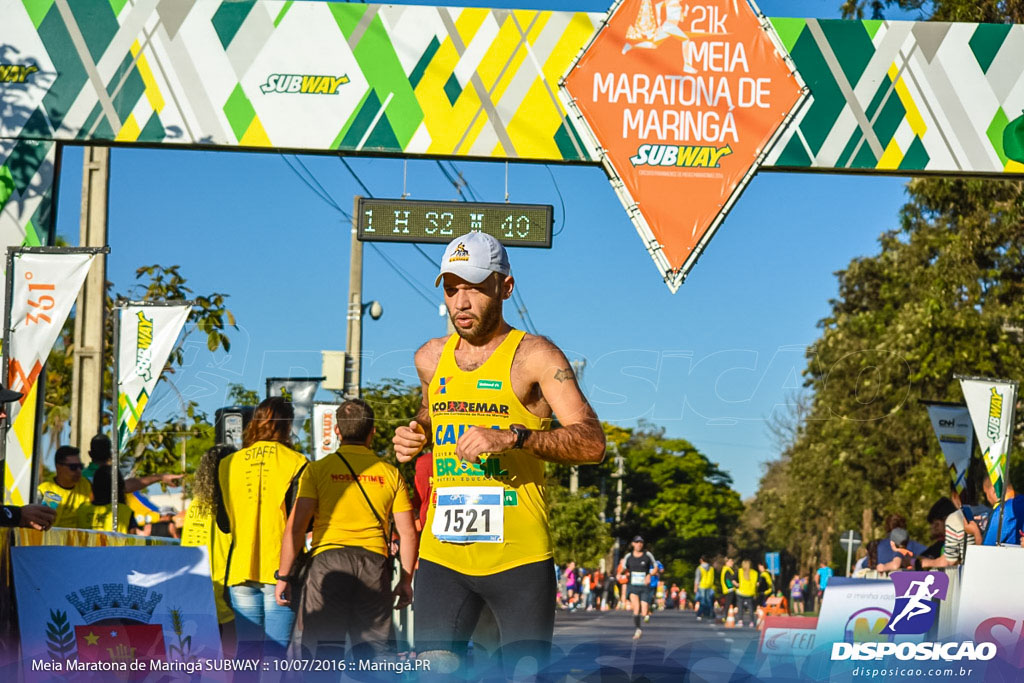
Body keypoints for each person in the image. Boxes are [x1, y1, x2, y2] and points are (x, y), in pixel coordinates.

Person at [391, 232, 606, 671]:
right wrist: (415, 432)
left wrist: (515, 437)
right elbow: (433, 413)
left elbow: (592, 442)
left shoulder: (536, 356)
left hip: (518, 557)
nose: (461, 302)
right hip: (442, 554)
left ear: (505, 288)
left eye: (473, 287)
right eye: (452, 289)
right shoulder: (431, 358)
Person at [276, 399, 417, 660]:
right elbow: (407, 533)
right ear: (372, 432)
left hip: (327, 565)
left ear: (337, 431)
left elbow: (295, 529)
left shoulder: (316, 471)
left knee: (321, 654)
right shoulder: (390, 474)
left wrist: (284, 576)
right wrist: (406, 581)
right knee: (376, 656)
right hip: (374, 565)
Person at [217, 396, 308, 660]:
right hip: (281, 570)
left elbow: (224, 524)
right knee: (275, 656)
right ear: (287, 425)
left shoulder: (227, 464)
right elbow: (299, 522)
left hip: (240, 568)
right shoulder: (298, 462)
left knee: (246, 655)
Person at [181, 445, 235, 645]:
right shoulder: (230, 504)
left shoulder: (195, 503)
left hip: (195, 586)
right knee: (232, 654)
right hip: (223, 587)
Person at [83, 433, 185, 492]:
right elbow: (125, 486)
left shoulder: (79, 477)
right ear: (111, 454)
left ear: (90, 454)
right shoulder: (111, 478)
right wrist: (160, 477)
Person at [37, 445, 92, 528]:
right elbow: (44, 523)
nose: (79, 471)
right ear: (58, 467)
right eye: (73, 467)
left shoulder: (86, 485)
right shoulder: (47, 490)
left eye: (80, 466)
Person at [78, 465, 139, 534]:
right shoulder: (125, 511)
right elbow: (133, 540)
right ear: (119, 487)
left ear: (94, 486)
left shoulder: (82, 509)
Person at [617, 536, 658, 640]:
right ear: (633, 544)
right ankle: (638, 629)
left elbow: (656, 567)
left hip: (644, 586)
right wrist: (619, 574)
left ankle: (648, 612)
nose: (639, 544)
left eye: (641, 542)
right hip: (633, 586)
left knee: (644, 612)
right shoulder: (628, 557)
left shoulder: (647, 555)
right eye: (637, 542)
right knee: (636, 609)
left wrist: (650, 574)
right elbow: (623, 568)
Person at [981, 476, 1024, 546]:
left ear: (993, 490)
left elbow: (986, 549)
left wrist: (975, 531)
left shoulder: (1001, 511)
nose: (987, 498)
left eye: (986, 493)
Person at [735, 559, 757, 628]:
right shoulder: (754, 572)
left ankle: (740, 621)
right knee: (750, 607)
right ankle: (751, 622)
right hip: (750, 592)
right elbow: (757, 583)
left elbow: (732, 579)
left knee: (740, 607)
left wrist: (736, 584)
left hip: (741, 592)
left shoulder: (739, 571)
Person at [694, 556, 715, 621]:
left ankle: (699, 614)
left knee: (702, 601)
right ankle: (708, 614)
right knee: (708, 601)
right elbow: (712, 578)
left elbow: (697, 579)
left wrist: (695, 587)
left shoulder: (699, 568)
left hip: (702, 586)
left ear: (701, 560)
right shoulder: (711, 568)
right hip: (709, 586)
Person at [719, 557, 737, 624]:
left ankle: (725, 616)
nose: (732, 563)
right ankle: (725, 617)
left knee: (728, 604)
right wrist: (730, 588)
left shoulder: (726, 569)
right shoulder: (727, 570)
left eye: (732, 561)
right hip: (729, 590)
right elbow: (727, 580)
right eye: (730, 561)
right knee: (728, 604)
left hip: (727, 590)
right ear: (726, 562)